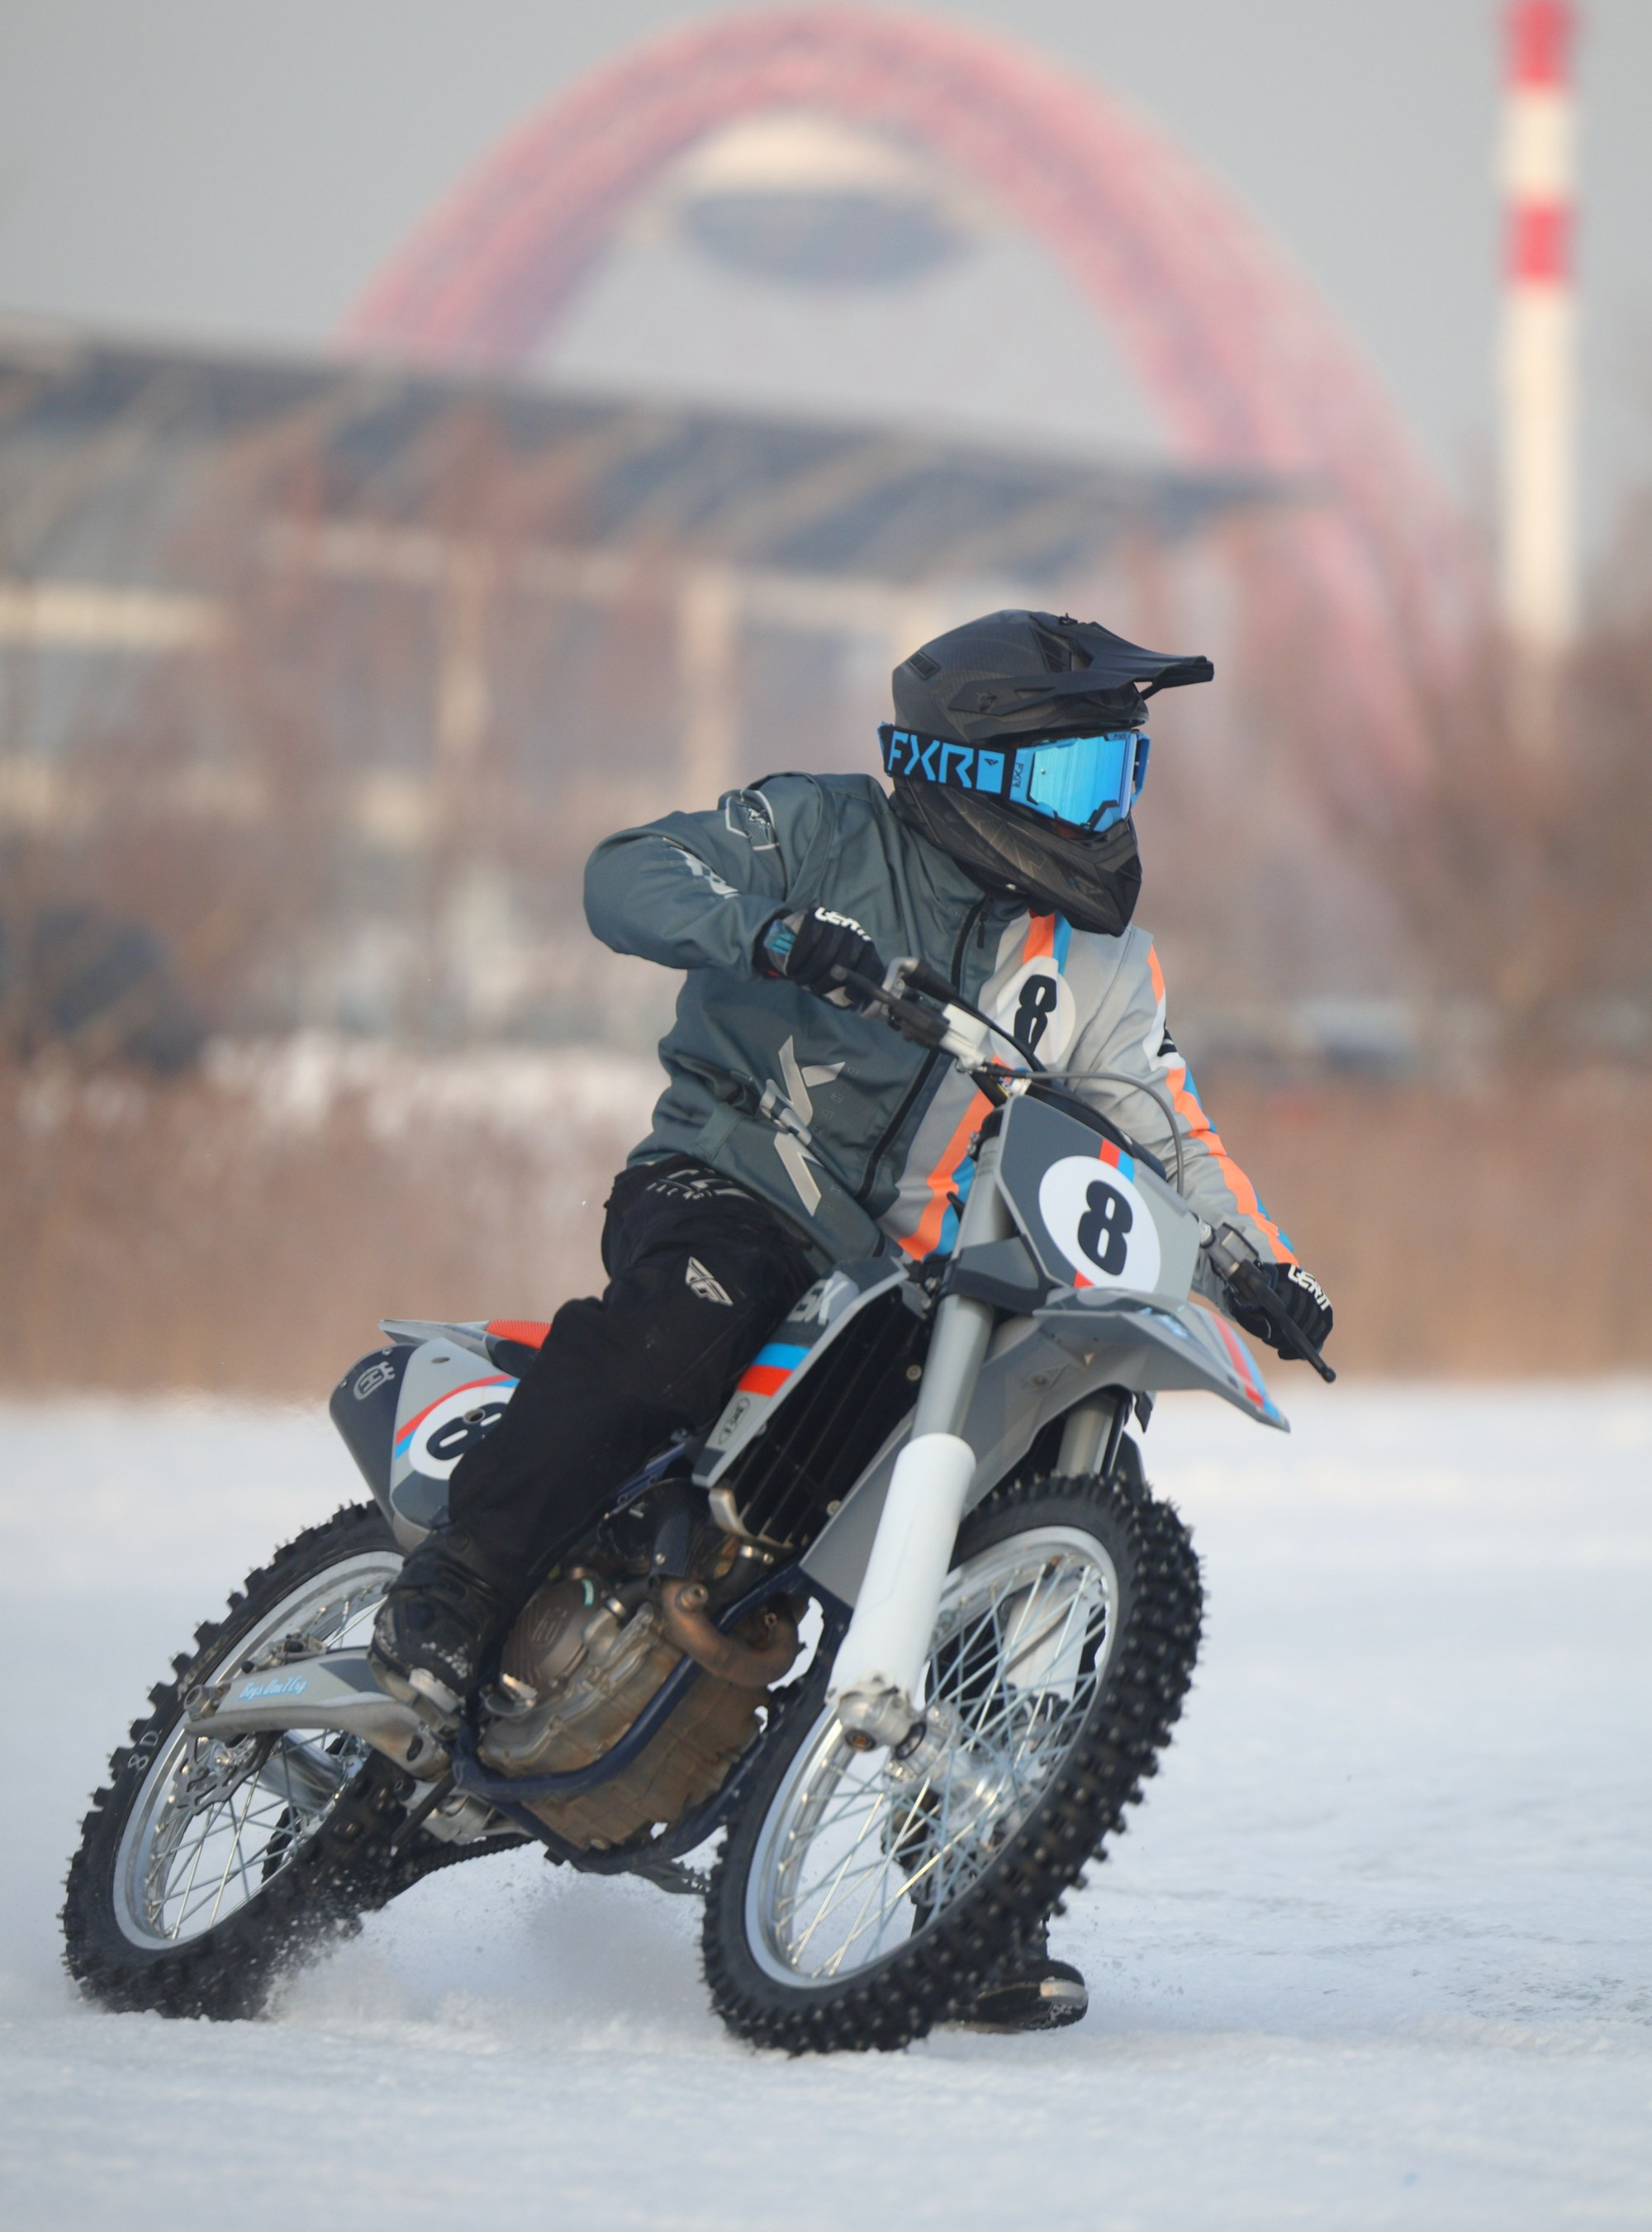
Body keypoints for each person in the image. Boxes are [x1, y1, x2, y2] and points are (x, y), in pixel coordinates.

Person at [372, 607, 1332, 2031]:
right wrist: (766, 932)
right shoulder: (820, 834)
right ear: (973, 769)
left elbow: (1170, 1134)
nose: (1108, 815)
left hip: (911, 1289)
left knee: (1009, 1486)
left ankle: (970, 1879)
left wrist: (1262, 1268)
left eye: (1117, 785)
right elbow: (629, 874)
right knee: (694, 1318)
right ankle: (453, 1587)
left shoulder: (1102, 969)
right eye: (1079, 784)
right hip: (736, 1180)